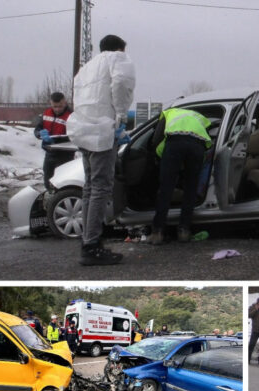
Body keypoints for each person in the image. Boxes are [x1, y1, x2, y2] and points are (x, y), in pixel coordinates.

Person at [66, 34, 136, 266]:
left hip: (84, 131)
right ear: (120, 47)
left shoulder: (85, 68)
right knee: (101, 188)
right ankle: (92, 246)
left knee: (89, 188)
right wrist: (121, 115)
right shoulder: (118, 58)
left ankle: (88, 239)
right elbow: (122, 85)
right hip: (103, 131)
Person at [147, 108, 211, 244]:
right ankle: (184, 231)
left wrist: (158, 157)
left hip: (175, 144)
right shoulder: (199, 116)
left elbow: (156, 139)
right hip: (197, 147)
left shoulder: (168, 112)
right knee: (191, 188)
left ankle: (157, 232)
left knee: (166, 188)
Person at [34, 92, 74, 190]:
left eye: (60, 106)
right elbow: (37, 129)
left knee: (63, 182)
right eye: (54, 106)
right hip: (50, 153)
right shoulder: (46, 113)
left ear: (64, 102)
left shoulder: (71, 116)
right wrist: (40, 134)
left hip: (65, 155)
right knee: (48, 181)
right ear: (51, 103)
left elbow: (75, 136)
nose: (57, 109)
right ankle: (50, 199)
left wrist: (57, 139)